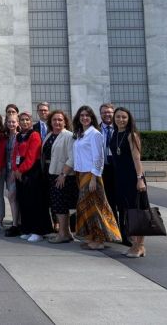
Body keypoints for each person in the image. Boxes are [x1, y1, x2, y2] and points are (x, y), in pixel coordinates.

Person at [72, 105, 121, 250]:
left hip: (91, 175)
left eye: (87, 115)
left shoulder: (95, 134)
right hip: (81, 174)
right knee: (86, 208)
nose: (84, 118)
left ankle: (100, 240)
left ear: (92, 118)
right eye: (82, 115)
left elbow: (98, 157)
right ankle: (91, 236)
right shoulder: (81, 133)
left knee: (96, 208)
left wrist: (94, 177)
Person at [111, 107, 148, 258]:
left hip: (133, 178)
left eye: (124, 117)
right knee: (127, 212)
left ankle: (140, 246)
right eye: (118, 117)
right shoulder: (116, 133)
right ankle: (135, 245)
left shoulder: (131, 135)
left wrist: (140, 179)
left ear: (129, 119)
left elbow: (137, 159)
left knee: (137, 212)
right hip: (121, 179)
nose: (121, 119)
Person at [11, 111, 51, 242]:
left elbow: (31, 156)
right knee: (24, 202)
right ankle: (27, 229)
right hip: (20, 172)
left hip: (32, 173)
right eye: (22, 120)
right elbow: (14, 154)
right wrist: (15, 169)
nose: (24, 122)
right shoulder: (19, 136)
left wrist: (20, 170)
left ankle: (38, 231)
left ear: (31, 121)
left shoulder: (34, 135)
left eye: (27, 120)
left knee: (35, 202)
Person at [42, 110, 77, 244]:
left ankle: (62, 233)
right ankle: (66, 232)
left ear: (65, 122)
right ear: (50, 122)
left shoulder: (69, 136)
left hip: (62, 175)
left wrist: (63, 174)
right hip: (50, 173)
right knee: (57, 204)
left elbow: (72, 157)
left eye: (60, 120)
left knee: (61, 204)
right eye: (54, 120)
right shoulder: (50, 135)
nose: (57, 122)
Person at [99, 102, 119, 229]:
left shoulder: (120, 128)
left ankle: (123, 230)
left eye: (109, 112)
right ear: (100, 114)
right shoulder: (95, 129)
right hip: (102, 170)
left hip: (118, 170)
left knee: (120, 201)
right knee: (107, 201)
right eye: (104, 112)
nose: (107, 114)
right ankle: (110, 228)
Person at [3, 113, 22, 237]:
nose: (11, 124)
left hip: (16, 171)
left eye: (13, 122)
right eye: (9, 122)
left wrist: (15, 171)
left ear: (17, 123)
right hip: (7, 170)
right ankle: (17, 222)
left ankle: (15, 225)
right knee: (13, 198)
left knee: (12, 196)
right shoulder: (6, 137)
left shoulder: (19, 137)